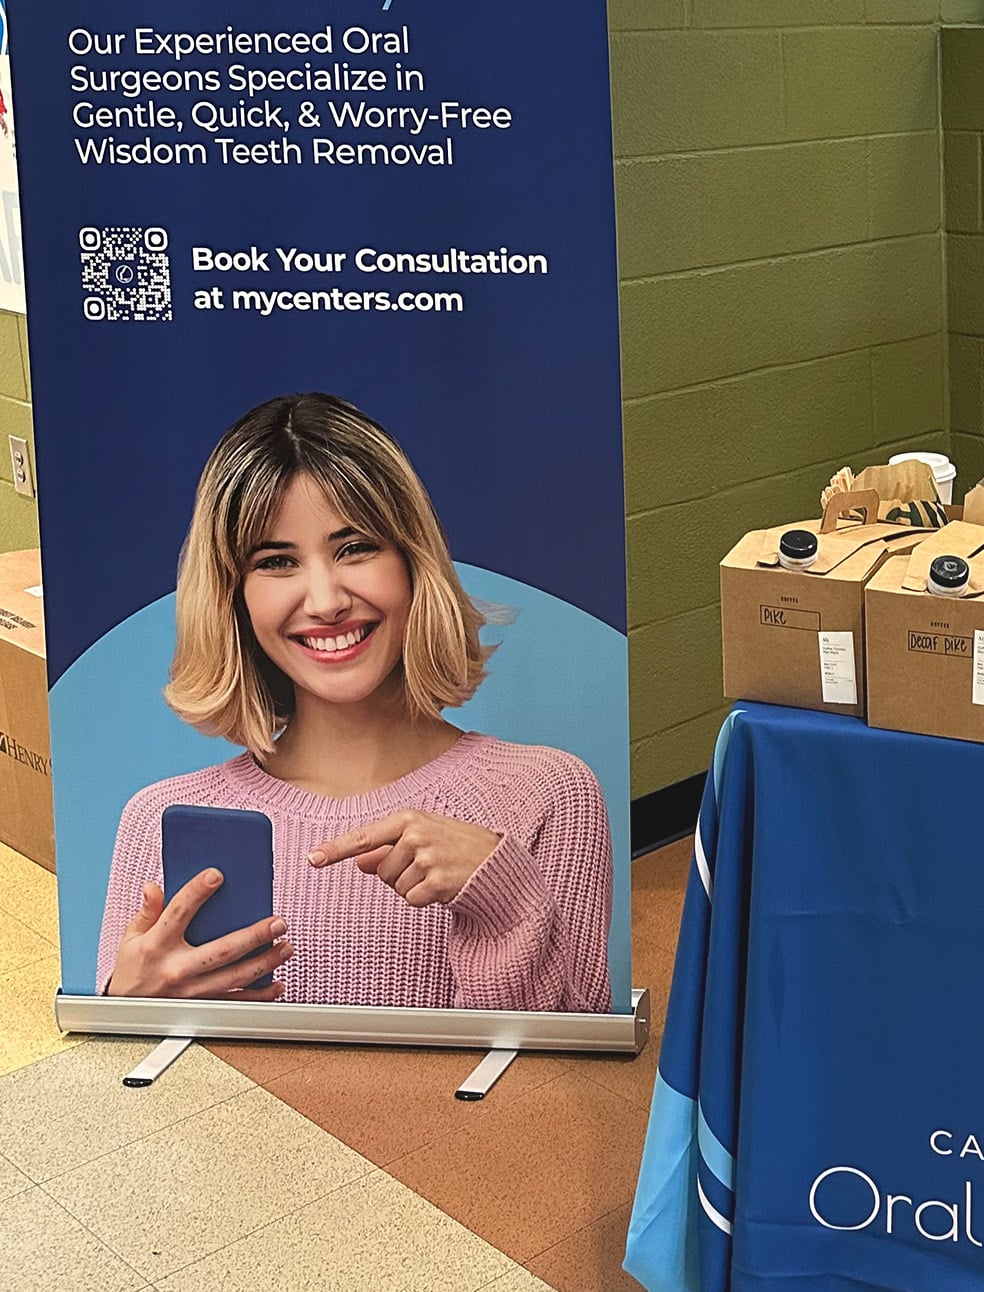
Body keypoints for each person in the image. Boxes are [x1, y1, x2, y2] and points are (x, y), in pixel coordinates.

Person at [97, 392, 613, 1012]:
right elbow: (137, 1074)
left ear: (412, 564)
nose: (326, 602)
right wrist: (123, 1009)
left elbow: (562, 1069)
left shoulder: (550, 796)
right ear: (235, 599)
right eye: (276, 561)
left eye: (355, 548)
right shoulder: (158, 819)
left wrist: (505, 900)